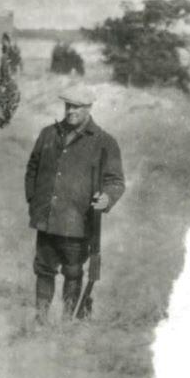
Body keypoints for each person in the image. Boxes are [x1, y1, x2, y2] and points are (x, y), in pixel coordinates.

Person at [24, 85, 125, 324]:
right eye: (68, 106)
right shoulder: (48, 134)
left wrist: (107, 198)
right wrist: (36, 201)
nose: (70, 111)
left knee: (73, 272)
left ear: (88, 108)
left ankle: (68, 321)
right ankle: (41, 319)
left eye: (76, 107)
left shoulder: (104, 142)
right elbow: (32, 169)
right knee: (44, 270)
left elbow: (116, 181)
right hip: (47, 219)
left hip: (78, 221)